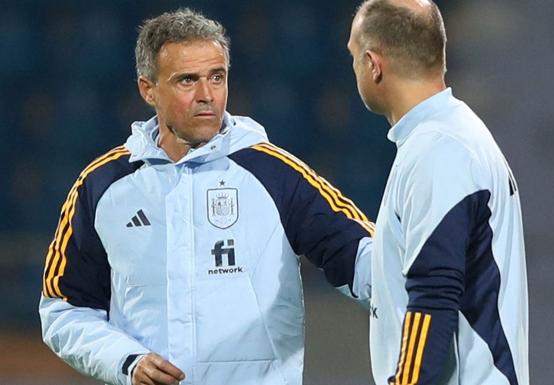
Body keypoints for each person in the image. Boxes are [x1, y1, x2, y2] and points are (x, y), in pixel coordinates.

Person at [39, 8, 374, 385]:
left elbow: (360, 255)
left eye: (217, 78)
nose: (207, 96)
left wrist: (427, 277)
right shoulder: (101, 186)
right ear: (147, 89)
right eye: (187, 81)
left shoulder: (275, 174)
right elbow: (64, 309)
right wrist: (126, 361)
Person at [347, 1, 529, 384]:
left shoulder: (439, 150)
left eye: (353, 57)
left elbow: (434, 300)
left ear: (373, 64)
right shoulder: (449, 136)